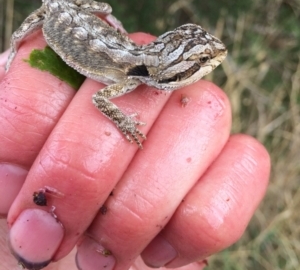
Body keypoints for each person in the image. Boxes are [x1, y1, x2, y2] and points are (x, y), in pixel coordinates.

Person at [0, 31, 270, 270]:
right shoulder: (129, 75)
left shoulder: (137, 77)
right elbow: (98, 97)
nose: (211, 63)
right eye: (201, 62)